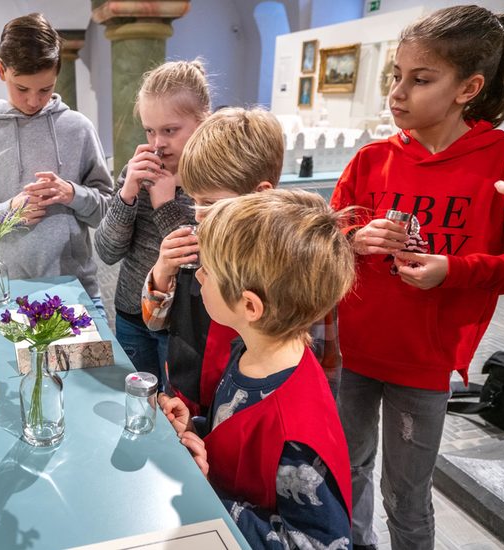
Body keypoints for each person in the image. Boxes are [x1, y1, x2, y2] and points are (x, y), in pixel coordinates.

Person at [330, 6, 504, 549]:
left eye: (420, 79)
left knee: (407, 497)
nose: (398, 92)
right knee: (346, 475)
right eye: (396, 76)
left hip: (425, 362)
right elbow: (322, 242)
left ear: (470, 87)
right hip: (355, 351)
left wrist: (454, 271)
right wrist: (353, 240)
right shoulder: (371, 161)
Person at [160, 190, 355, 549]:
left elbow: (319, 542)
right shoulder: (250, 353)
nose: (199, 276)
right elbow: (240, 432)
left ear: (250, 305)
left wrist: (210, 499)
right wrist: (196, 429)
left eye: (209, 270)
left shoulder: (295, 432)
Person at [141, 108, 342, 417]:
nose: (197, 215)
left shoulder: (297, 264)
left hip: (253, 412)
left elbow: (321, 365)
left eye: (210, 203)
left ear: (260, 194)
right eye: (194, 200)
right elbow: (154, 321)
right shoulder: (191, 244)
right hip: (186, 399)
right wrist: (162, 269)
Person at [0, 13, 113, 314]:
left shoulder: (79, 128)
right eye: (22, 89)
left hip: (79, 291)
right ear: (2, 70)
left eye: (45, 89)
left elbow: (107, 214)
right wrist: (10, 212)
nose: (33, 101)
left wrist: (72, 193)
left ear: (57, 73)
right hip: (12, 295)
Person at [94, 60, 210, 382]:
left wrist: (164, 205)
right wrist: (127, 194)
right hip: (132, 314)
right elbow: (106, 251)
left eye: (170, 130)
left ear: (203, 120)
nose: (157, 143)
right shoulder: (138, 171)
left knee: (177, 409)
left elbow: (198, 259)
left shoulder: (212, 181)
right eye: (149, 130)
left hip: (182, 325)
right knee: (137, 404)